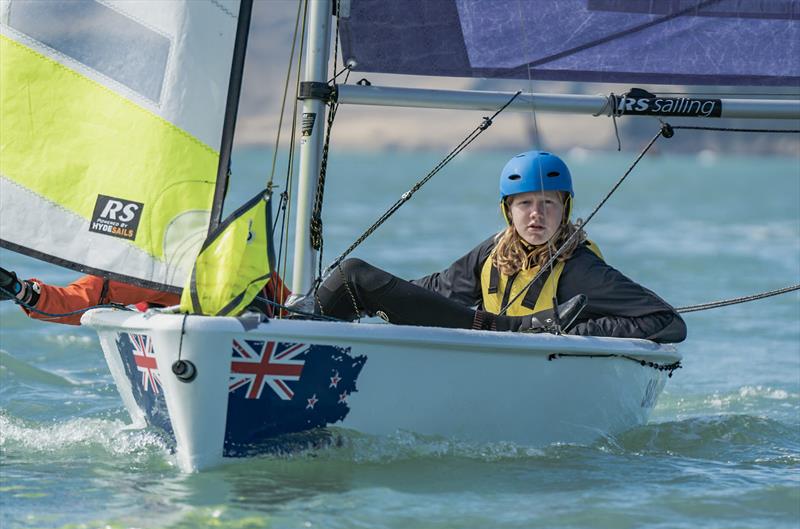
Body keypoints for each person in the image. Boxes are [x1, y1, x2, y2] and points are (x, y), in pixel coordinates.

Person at [313, 150, 686, 343]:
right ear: (508, 211)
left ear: (565, 209)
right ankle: (294, 322)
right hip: (488, 360)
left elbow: (668, 322)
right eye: (525, 204)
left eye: (548, 204)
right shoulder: (492, 253)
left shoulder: (580, 268)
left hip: (538, 374)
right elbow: (439, 291)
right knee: (353, 282)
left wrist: (573, 333)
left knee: (353, 273)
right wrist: (382, 300)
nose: (536, 215)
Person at [0, 267, 290, 326]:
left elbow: (290, 311)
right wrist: (18, 290)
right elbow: (75, 301)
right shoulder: (148, 267)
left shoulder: (249, 262)